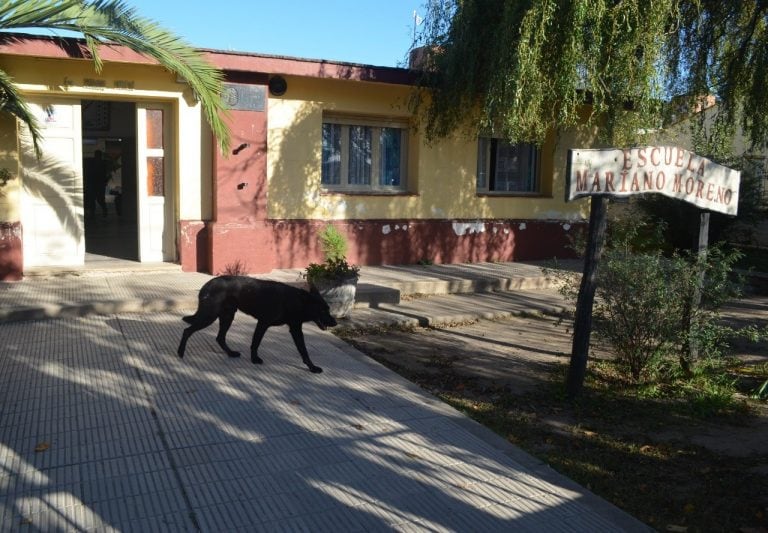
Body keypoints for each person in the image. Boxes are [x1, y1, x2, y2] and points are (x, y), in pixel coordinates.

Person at [84, 149, 110, 218]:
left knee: (96, 199)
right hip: (97, 184)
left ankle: (97, 212)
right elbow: (107, 173)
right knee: (98, 199)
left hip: (95, 184)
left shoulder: (93, 162)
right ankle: (101, 211)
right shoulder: (102, 163)